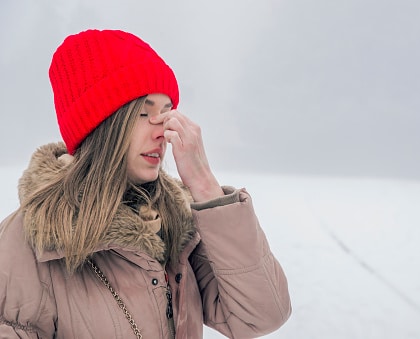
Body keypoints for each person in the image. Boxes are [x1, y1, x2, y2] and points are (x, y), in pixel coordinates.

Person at [0, 29, 291, 338]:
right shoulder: (29, 243)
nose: (162, 131)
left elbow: (262, 315)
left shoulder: (178, 226)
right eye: (143, 113)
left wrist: (206, 187)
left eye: (167, 114)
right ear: (102, 127)